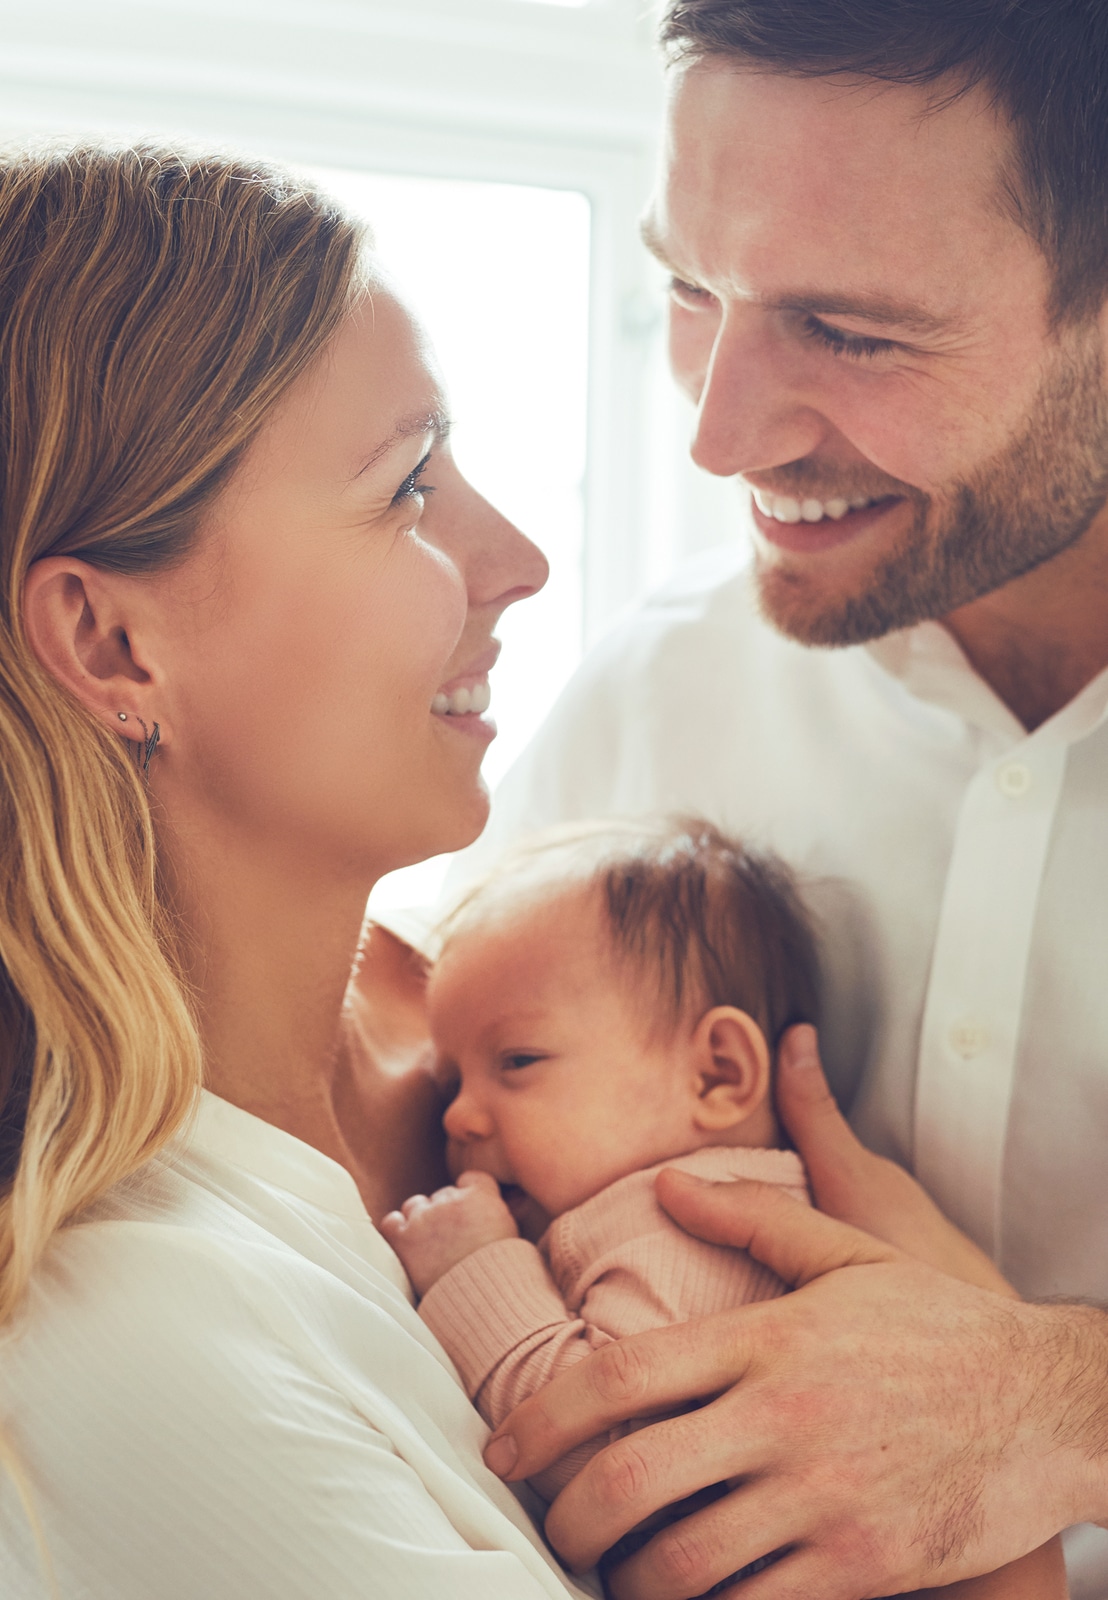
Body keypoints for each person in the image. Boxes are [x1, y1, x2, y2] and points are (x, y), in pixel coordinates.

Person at [421, 2, 1108, 1596]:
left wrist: (1056, 1399)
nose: (719, 432)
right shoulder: (657, 696)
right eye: (687, 285)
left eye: (853, 332)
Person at [0, 141, 599, 1599]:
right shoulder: (127, 1328)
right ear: (109, 646)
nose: (516, 558)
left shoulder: (527, 1034)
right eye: (408, 490)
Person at [383, 818, 1066, 1600]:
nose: (459, 1119)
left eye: (517, 1062)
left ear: (717, 1072)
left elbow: (612, 1451)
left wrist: (471, 1269)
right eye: (451, 1082)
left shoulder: (685, 1214)